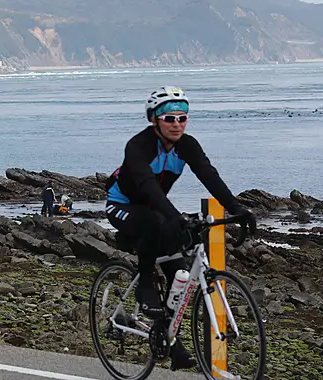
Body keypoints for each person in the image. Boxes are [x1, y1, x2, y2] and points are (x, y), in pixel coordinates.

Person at [105, 86, 256, 370]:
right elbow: (148, 187)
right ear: (155, 120)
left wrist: (237, 208)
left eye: (182, 118)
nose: (177, 124)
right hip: (122, 205)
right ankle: (145, 284)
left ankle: (170, 341)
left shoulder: (187, 145)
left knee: (180, 272)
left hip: (155, 207)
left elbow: (208, 175)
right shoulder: (138, 146)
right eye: (169, 118)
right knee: (156, 222)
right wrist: (174, 215)